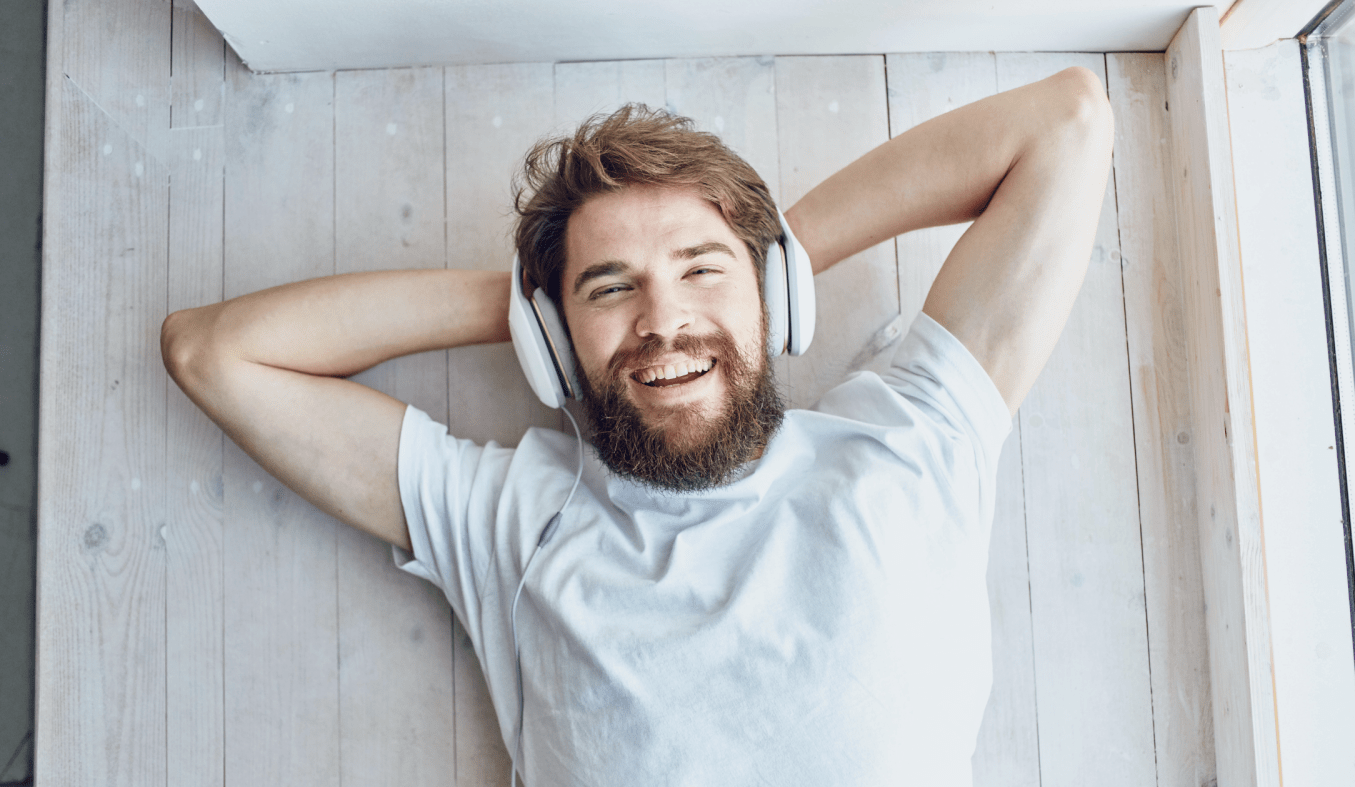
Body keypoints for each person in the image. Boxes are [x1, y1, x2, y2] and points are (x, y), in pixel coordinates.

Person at [162, 65, 1114, 786]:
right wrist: (520, 305)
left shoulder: (910, 442)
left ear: (776, 293)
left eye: (701, 270)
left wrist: (770, 255)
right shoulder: (513, 522)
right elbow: (213, 353)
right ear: (553, 340)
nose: (663, 320)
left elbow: (1067, 122)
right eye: (610, 288)